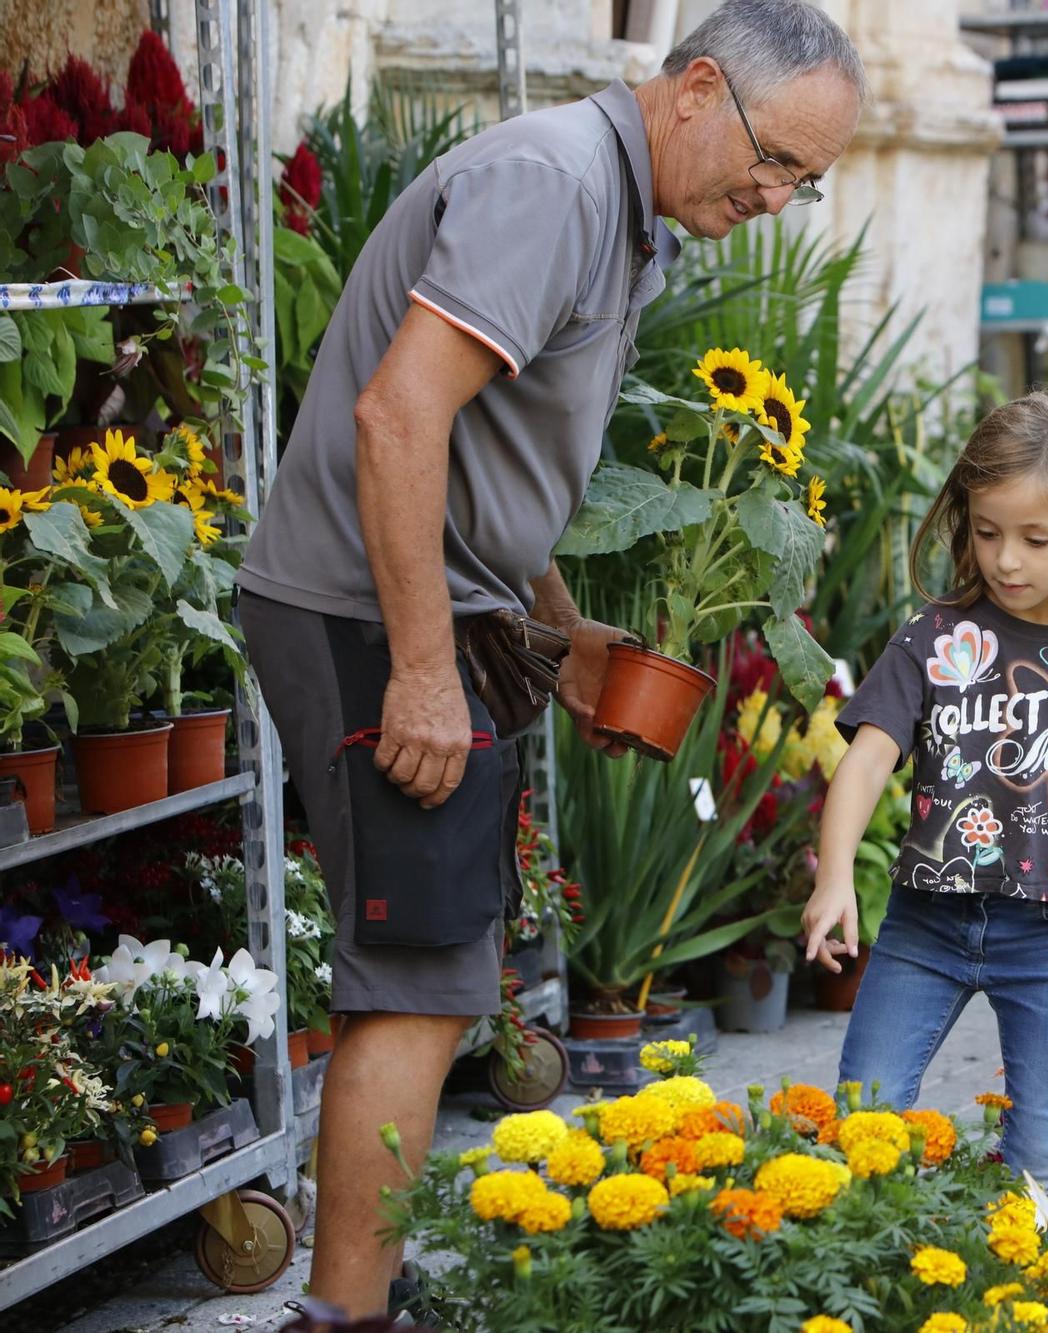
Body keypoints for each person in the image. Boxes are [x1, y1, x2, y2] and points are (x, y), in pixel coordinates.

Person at [232, 0, 864, 1316]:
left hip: (436, 612)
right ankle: (341, 1315)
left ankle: (364, 1301)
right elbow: (399, 416)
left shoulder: (621, 215)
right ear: (697, 88)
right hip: (367, 616)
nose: (779, 193)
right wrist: (418, 672)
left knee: (439, 979)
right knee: (410, 989)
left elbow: (485, 457)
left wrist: (560, 633)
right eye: (779, 158)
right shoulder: (555, 187)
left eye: (806, 180)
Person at [800, 390, 1048, 1237]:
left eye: (1034, 538)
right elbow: (866, 757)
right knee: (861, 1121)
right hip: (923, 929)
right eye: (986, 531)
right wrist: (836, 876)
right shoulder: (935, 636)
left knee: (1045, 1149)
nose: (1007, 559)